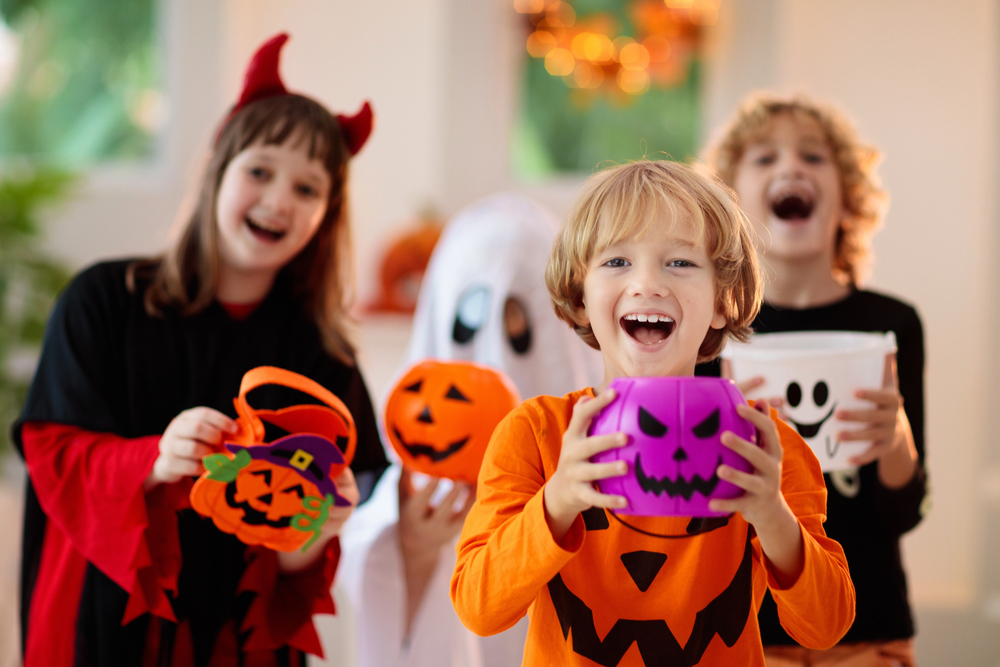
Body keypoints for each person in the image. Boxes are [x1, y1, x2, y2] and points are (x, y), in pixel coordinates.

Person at [12, 33, 388, 667]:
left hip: (237, 644)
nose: (277, 201)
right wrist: (154, 459)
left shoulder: (323, 355)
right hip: (106, 628)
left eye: (307, 188)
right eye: (261, 171)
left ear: (327, 214)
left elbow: (313, 541)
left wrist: (313, 534)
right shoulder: (102, 300)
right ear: (218, 169)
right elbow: (55, 454)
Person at [450, 160, 855, 666]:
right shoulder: (535, 435)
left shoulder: (762, 443)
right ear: (579, 298)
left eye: (680, 263)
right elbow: (479, 609)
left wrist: (772, 516)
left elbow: (825, 626)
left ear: (723, 300)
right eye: (617, 262)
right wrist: (557, 503)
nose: (647, 284)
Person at [699, 93, 926, 666]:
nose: (791, 168)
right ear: (732, 204)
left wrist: (896, 439)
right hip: (742, 633)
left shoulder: (893, 325)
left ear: (849, 199)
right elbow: (693, 513)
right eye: (765, 158)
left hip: (868, 629)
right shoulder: (711, 331)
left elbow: (904, 514)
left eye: (813, 157)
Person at [340, 192, 603, 667]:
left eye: (517, 325)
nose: (493, 355)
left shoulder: (599, 448)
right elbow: (367, 589)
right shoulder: (411, 459)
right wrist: (413, 545)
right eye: (471, 322)